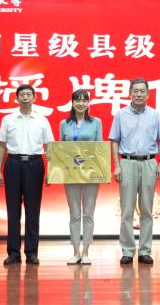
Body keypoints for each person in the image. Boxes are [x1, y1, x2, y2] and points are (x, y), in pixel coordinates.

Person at [109, 77, 160, 265]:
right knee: (127, 210)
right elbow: (114, 141)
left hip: (149, 162)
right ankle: (127, 250)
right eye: (135, 91)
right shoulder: (120, 115)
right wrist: (116, 165)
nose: (139, 94)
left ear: (148, 94)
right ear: (129, 93)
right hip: (127, 162)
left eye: (142, 91)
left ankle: (145, 250)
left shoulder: (155, 115)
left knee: (147, 210)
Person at [0, 84, 54, 265]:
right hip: (13, 163)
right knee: (13, 210)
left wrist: (51, 170)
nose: (26, 98)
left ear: (34, 98)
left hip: (35, 164)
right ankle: (13, 252)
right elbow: (2, 145)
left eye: (29, 95)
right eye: (22, 95)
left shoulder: (42, 120)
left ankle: (31, 252)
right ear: (17, 98)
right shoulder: (8, 119)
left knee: (33, 210)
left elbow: (49, 147)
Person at [58, 89, 104, 265]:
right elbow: (60, 149)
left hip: (91, 173)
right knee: (75, 214)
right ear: (72, 103)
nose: (81, 103)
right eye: (77, 100)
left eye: (84, 100)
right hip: (71, 173)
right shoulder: (64, 124)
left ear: (88, 103)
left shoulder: (96, 122)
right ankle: (75, 252)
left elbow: (100, 147)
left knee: (88, 214)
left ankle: (86, 252)